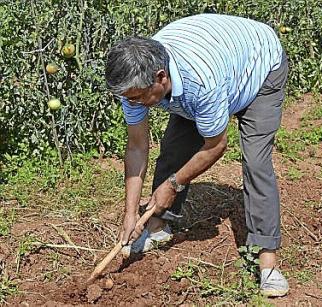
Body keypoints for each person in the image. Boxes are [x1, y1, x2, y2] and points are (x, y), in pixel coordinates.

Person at [105, 14, 289, 297]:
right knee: (174, 149)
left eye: (138, 97)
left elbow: (216, 145)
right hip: (219, 63)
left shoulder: (201, 83)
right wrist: (129, 214)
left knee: (255, 162)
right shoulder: (133, 83)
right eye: (128, 98)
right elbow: (137, 147)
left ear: (161, 78)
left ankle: (268, 263)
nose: (133, 103)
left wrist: (174, 184)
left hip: (259, 68)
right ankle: (156, 227)